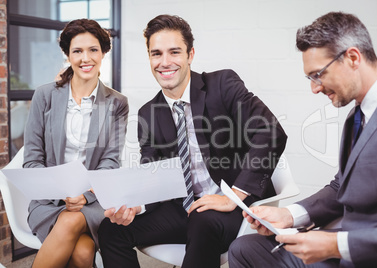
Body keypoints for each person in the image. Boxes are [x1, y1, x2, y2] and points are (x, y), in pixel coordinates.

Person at [97, 14, 287, 268]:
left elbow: (271, 131)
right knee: (111, 229)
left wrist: (233, 196)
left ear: (190, 54)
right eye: (156, 54)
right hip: (183, 208)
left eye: (174, 52)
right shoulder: (148, 113)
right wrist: (135, 206)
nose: (165, 62)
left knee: (202, 218)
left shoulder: (222, 84)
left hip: (234, 209)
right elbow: (154, 175)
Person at [228, 11, 377, 268]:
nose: (315, 88)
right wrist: (289, 215)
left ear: (353, 58)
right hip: (343, 244)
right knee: (245, 248)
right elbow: (340, 187)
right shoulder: (357, 115)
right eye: (310, 78)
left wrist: (334, 245)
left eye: (318, 74)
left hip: (376, 254)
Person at [23, 19, 128, 268]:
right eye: (77, 51)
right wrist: (63, 192)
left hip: (93, 201)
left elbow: (110, 162)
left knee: (72, 225)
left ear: (103, 53)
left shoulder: (117, 103)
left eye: (93, 50)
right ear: (67, 55)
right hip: (48, 201)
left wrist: (84, 195)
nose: (85, 58)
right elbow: (32, 159)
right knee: (82, 252)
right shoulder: (45, 96)